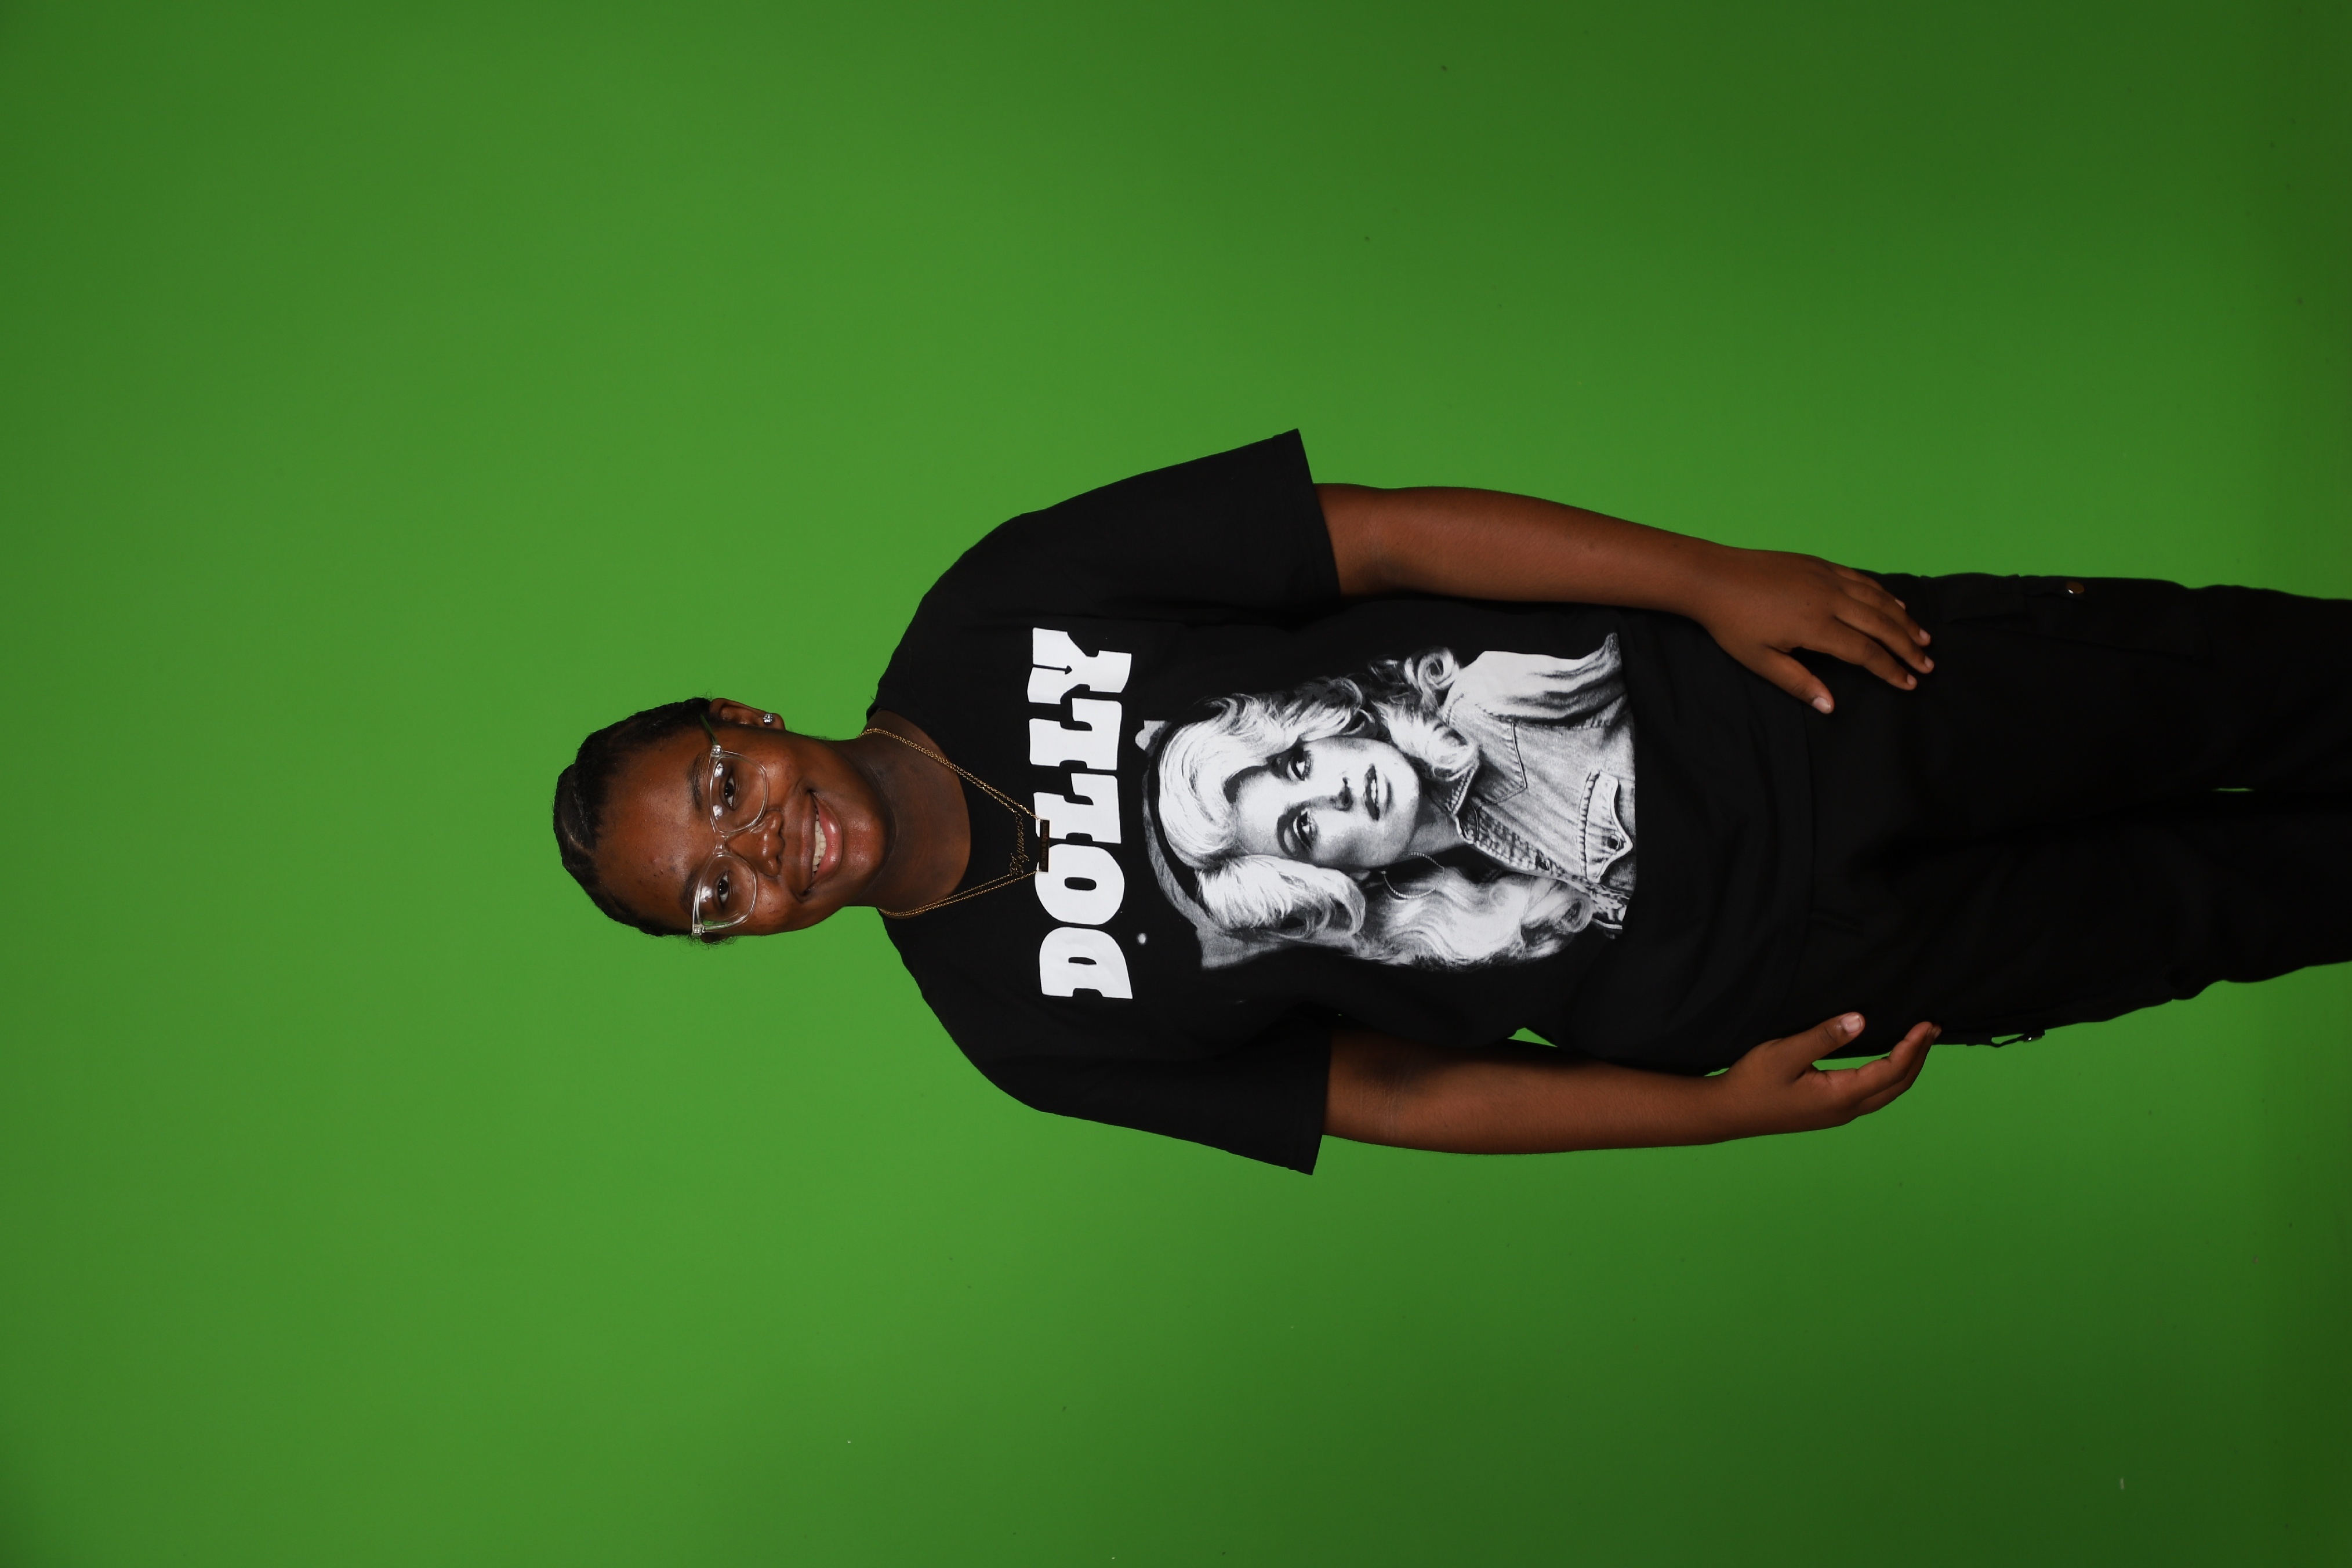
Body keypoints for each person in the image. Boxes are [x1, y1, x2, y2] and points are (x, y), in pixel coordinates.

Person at [552, 433, 2352, 1173]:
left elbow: (1388, 538)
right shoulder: (1022, 1033)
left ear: (744, 714)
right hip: (1778, 969)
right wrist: (1707, 1116)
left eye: (720, 789)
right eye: (714, 889)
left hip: (1788, 707)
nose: (756, 846)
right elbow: (1395, 1092)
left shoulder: (996, 604)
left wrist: (1713, 577)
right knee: (2243, 905)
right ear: (739, 936)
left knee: (2239, 686)